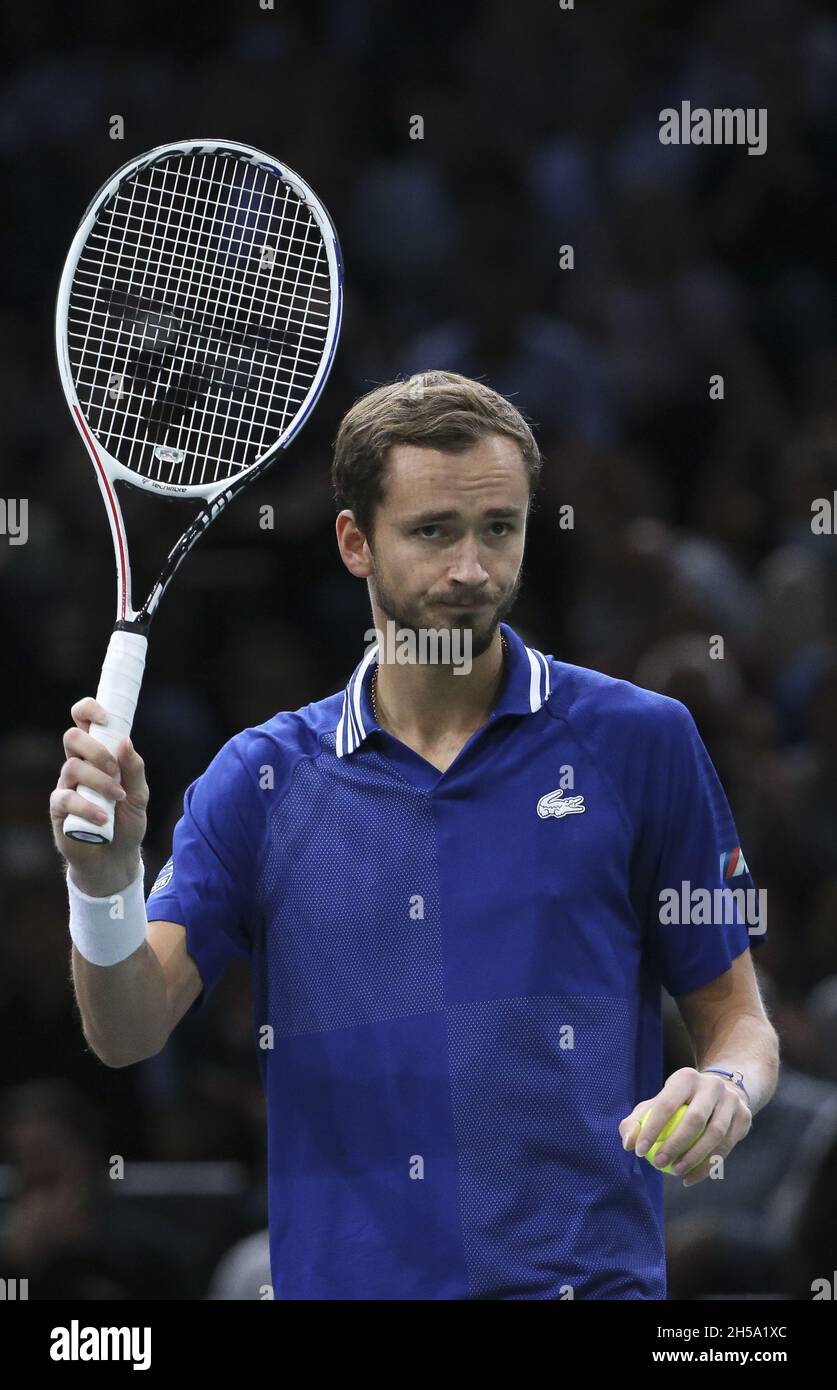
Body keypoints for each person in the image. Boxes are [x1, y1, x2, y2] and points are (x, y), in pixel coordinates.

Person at [51, 370, 779, 1300]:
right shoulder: (259, 778)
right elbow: (126, 1030)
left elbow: (738, 1023)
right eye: (432, 532)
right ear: (355, 542)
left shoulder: (640, 741)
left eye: (499, 529)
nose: (471, 569)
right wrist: (106, 881)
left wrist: (726, 1086)